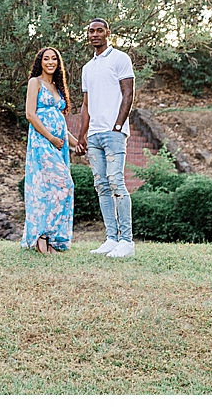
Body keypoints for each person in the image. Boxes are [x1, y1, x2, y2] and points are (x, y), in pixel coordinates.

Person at [71, 17, 135, 258]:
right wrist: (82, 136)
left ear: (108, 33)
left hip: (114, 132)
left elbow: (128, 93)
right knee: (101, 186)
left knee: (116, 182)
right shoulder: (88, 68)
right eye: (91, 31)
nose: (95, 34)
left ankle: (126, 241)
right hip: (95, 135)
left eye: (99, 30)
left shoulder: (120, 58)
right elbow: (86, 104)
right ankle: (111, 238)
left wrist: (118, 125)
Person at [21, 46, 74, 255]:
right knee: (62, 184)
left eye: (54, 59)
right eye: (46, 59)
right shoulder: (35, 82)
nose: (50, 62)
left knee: (56, 188)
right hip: (42, 143)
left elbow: (61, 123)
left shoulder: (57, 87)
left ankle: (51, 236)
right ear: (40, 62)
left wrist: (75, 142)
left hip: (59, 146)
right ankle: (41, 235)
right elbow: (30, 115)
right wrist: (51, 138)